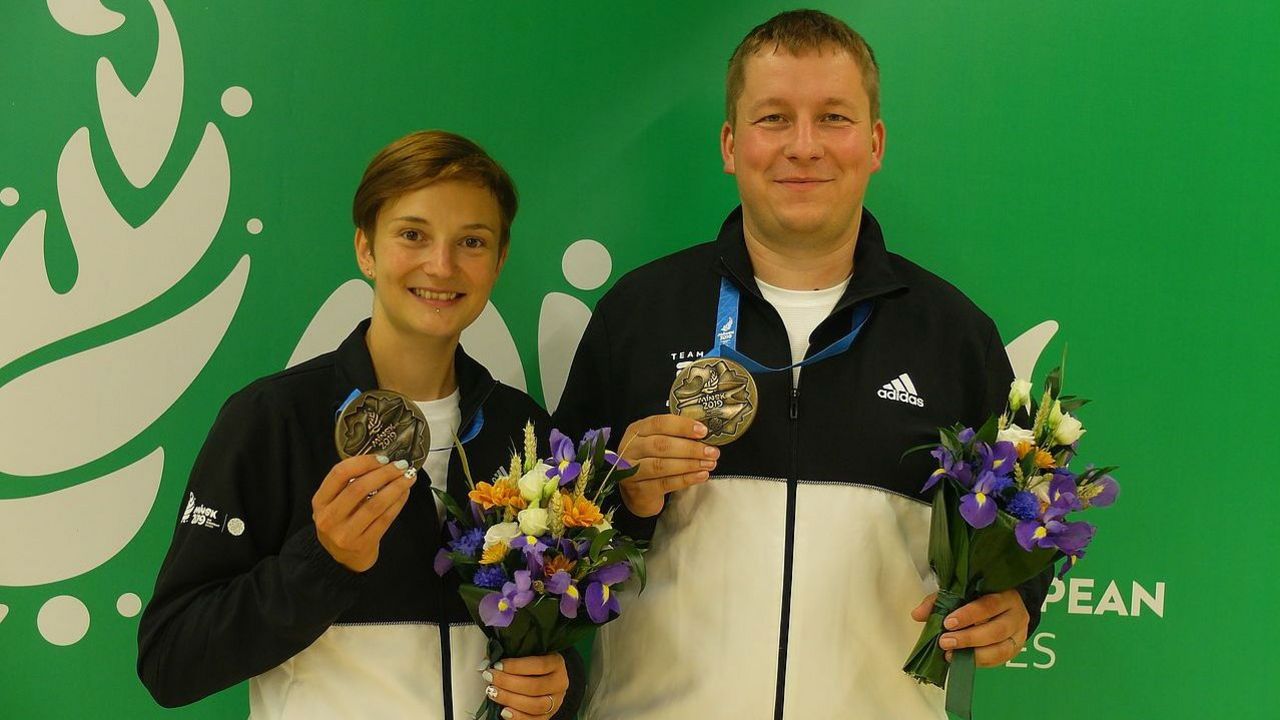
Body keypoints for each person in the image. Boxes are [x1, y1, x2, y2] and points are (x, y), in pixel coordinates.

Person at [553, 10, 1051, 718]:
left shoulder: (953, 334)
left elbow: (1019, 531)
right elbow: (552, 555)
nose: (804, 146)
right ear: (730, 144)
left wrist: (1018, 601)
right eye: (774, 119)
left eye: (834, 118)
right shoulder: (638, 313)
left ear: (875, 143)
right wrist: (625, 495)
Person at [138, 130, 582, 720]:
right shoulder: (273, 420)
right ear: (365, 249)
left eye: (471, 241)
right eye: (412, 235)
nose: (441, 265)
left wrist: (558, 684)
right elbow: (172, 662)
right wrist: (324, 560)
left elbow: (549, 634)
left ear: (498, 261)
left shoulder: (522, 431)